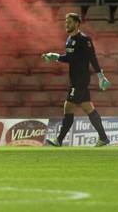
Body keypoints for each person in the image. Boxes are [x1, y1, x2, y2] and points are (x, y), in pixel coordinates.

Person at [41, 13, 112, 147]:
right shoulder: (69, 40)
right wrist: (54, 56)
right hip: (75, 79)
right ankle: (103, 138)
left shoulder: (84, 39)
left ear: (77, 24)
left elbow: (93, 58)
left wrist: (101, 76)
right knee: (88, 108)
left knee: (68, 107)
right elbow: (69, 58)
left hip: (80, 79)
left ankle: (59, 140)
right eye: (65, 22)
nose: (66, 24)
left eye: (69, 22)